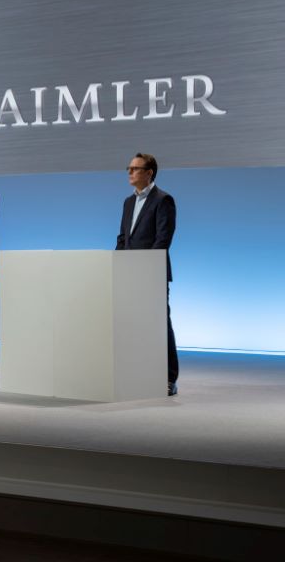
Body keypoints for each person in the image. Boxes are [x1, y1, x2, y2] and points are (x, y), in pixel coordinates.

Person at [116, 153, 178, 396]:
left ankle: (169, 378)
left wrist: (146, 268)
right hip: (129, 275)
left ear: (149, 172)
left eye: (135, 168)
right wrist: (117, 264)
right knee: (133, 324)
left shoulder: (163, 200)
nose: (130, 172)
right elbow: (123, 238)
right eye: (129, 168)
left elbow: (163, 238)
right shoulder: (128, 202)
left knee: (160, 324)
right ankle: (138, 373)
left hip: (151, 274)